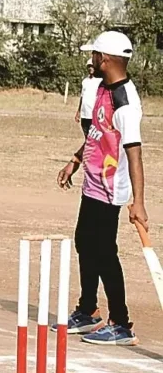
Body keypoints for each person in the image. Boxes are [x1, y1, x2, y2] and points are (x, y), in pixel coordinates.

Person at [56, 31, 148, 346]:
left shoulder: (125, 102)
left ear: (104, 58)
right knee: (85, 242)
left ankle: (121, 323)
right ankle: (87, 310)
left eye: (94, 54)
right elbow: (97, 134)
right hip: (92, 182)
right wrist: (75, 160)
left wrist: (139, 202)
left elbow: (134, 153)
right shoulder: (103, 91)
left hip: (111, 188)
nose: (91, 59)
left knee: (105, 252)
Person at [75, 61, 101, 136]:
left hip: (93, 113)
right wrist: (78, 111)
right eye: (89, 66)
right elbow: (82, 96)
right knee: (86, 133)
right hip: (85, 113)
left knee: (93, 135)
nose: (90, 68)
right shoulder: (85, 81)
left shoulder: (99, 81)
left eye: (92, 66)